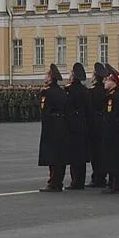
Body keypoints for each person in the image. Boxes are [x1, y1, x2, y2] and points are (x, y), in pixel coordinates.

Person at [38, 64, 68, 192]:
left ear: (50, 77)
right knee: (60, 155)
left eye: (46, 74)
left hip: (51, 126)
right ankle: (59, 181)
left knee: (52, 155)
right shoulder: (62, 92)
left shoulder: (47, 92)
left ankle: (53, 182)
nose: (45, 76)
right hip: (62, 124)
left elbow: (45, 112)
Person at [101, 64, 119, 194]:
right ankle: (116, 184)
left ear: (113, 82)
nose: (105, 82)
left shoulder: (114, 96)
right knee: (116, 157)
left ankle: (116, 185)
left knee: (115, 158)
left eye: (108, 80)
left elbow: (111, 116)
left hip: (115, 131)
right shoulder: (118, 94)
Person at [64, 63, 90, 190]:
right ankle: (81, 180)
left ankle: (75, 181)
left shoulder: (69, 90)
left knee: (74, 154)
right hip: (83, 123)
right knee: (82, 154)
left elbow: (67, 107)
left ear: (73, 76)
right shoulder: (85, 90)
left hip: (73, 124)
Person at [88, 63, 108, 187]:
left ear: (95, 76)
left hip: (95, 123)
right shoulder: (105, 91)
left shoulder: (92, 91)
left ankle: (97, 177)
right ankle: (102, 176)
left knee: (95, 152)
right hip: (104, 122)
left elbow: (89, 108)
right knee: (103, 151)